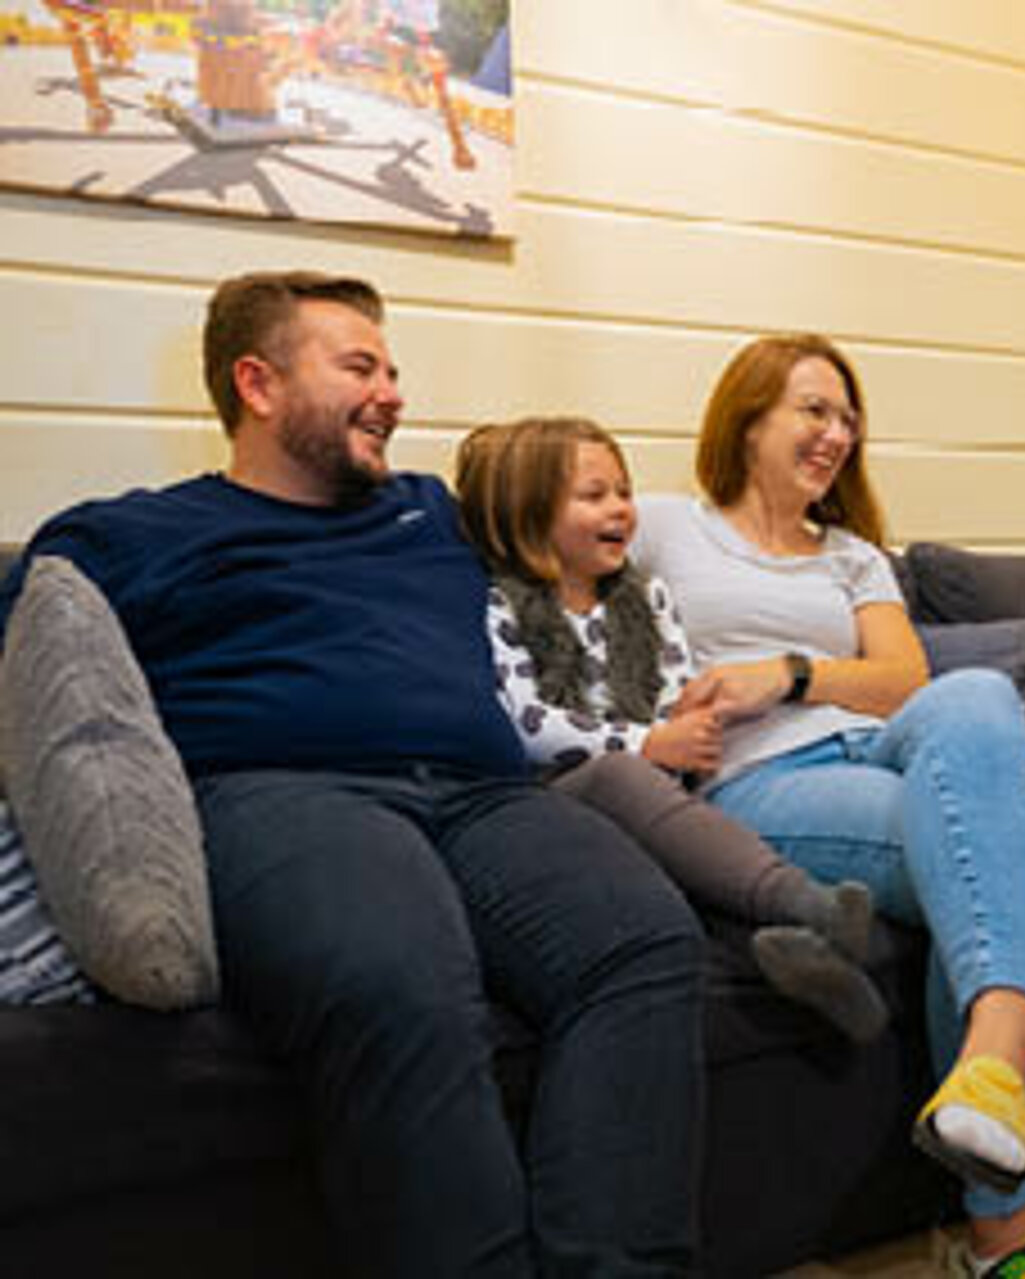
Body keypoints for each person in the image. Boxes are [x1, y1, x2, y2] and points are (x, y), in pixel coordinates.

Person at [0, 273, 705, 1278]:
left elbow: (586, 551)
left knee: (645, 943)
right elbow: (33, 669)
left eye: (394, 369)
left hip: (483, 796)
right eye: (360, 366)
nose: (393, 393)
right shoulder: (127, 535)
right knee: (403, 980)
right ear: (259, 383)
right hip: (282, 793)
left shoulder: (433, 512)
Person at [633, 334, 1025, 1279]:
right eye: (811, 410)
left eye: (846, 416)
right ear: (747, 421)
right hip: (759, 786)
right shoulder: (665, 526)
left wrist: (785, 674)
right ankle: (1009, 1233)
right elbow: (562, 599)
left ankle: (994, 1059)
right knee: (1006, 863)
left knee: (979, 697)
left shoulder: (855, 557)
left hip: (883, 752)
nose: (836, 433)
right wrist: (647, 732)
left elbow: (906, 679)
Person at [454, 415, 886, 1041]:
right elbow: (525, 721)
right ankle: (809, 905)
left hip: (658, 788)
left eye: (624, 492)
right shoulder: (500, 602)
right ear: (529, 511)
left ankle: (819, 965)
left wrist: (686, 732)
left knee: (697, 849)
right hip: (554, 799)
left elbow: (678, 687)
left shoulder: (646, 597)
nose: (621, 510)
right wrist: (647, 744)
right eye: (594, 495)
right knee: (619, 777)